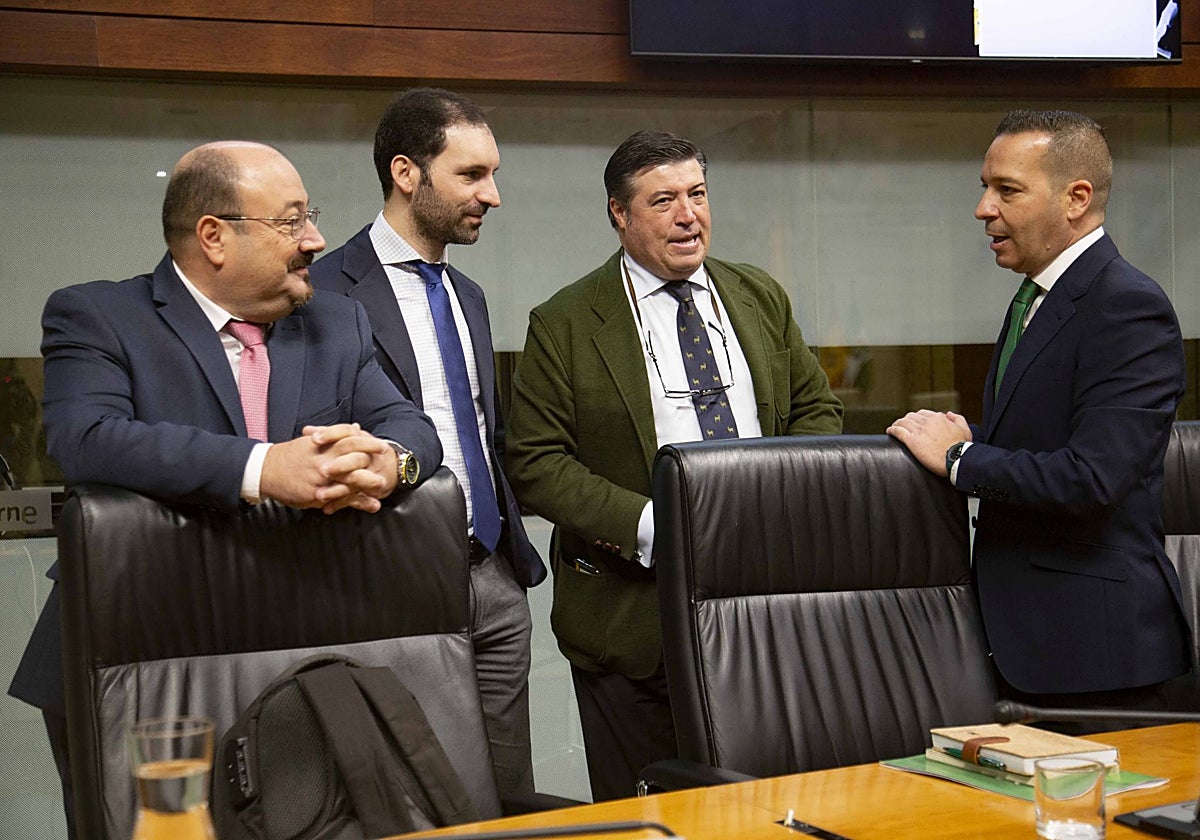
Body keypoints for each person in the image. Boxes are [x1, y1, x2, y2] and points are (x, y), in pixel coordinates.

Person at [9, 140, 443, 838]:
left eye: (312, 216)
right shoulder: (99, 317)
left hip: (297, 654)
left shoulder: (336, 321)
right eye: (293, 221)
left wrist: (390, 462)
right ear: (214, 236)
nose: (317, 239)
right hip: (135, 657)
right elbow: (85, 438)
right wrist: (263, 468)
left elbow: (412, 426)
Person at [505, 129, 843, 800]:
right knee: (650, 812)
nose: (688, 215)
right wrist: (658, 526)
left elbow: (817, 411)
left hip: (763, 608)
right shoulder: (566, 321)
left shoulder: (759, 296)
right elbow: (535, 461)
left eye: (697, 194)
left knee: (764, 802)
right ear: (620, 215)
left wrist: (773, 503)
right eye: (663, 201)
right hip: (630, 622)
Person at [888, 110, 1191, 721]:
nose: (982, 209)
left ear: (1076, 198)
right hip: (1025, 644)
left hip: (1097, 659)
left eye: (1007, 189)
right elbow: (1049, 435)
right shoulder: (1035, 295)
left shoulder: (1128, 306)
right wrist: (979, 438)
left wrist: (959, 459)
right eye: (985, 186)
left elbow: (1091, 478)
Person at [309, 88, 546, 797]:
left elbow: (482, 430)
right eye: (471, 175)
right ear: (407, 173)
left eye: (492, 174)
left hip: (494, 579)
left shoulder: (467, 295)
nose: (493, 195)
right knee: (416, 792)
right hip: (390, 577)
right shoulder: (322, 291)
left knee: (508, 794)